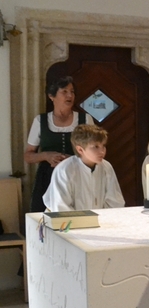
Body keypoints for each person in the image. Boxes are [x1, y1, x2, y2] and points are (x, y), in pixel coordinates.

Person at [25, 76, 93, 213]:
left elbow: (95, 151)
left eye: (72, 92)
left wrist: (73, 159)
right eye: (64, 91)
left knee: (79, 216)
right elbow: (28, 156)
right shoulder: (40, 121)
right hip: (47, 178)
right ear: (52, 96)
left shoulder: (85, 119)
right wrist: (46, 156)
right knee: (45, 217)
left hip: (77, 176)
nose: (70, 95)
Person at [43, 124, 124, 211]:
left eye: (103, 146)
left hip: (100, 217)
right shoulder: (64, 170)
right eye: (96, 147)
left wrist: (106, 217)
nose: (102, 151)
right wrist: (83, 219)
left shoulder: (106, 167)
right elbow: (61, 206)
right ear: (80, 149)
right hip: (66, 218)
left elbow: (115, 201)